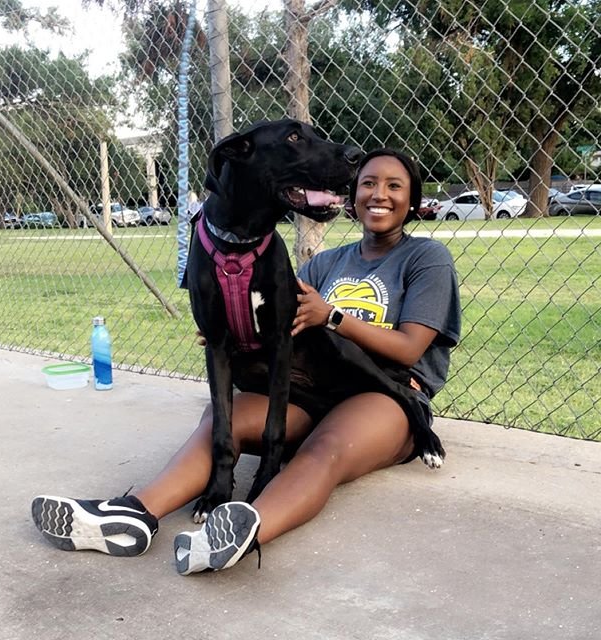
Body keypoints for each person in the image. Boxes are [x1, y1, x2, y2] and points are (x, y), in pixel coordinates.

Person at [31, 148, 461, 575]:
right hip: (309, 389)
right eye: (367, 183)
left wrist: (333, 317)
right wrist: (231, 328)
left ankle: (240, 533)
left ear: (412, 198)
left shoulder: (425, 258)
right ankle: (132, 515)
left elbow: (409, 348)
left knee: (327, 447)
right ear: (352, 195)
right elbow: (277, 323)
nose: (378, 194)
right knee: (224, 418)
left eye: (393, 185)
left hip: (384, 394)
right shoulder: (327, 262)